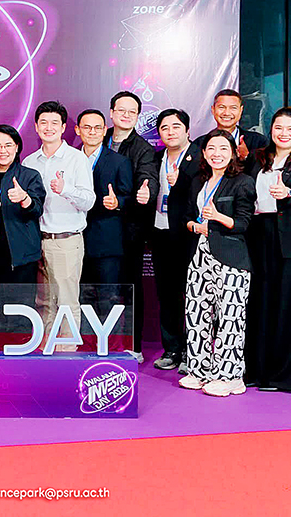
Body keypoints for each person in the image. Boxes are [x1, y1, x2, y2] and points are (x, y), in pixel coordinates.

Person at [245, 107, 291, 393]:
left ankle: (286, 376)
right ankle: (257, 371)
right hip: (258, 235)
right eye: (278, 127)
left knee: (290, 306)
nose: (284, 133)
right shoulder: (256, 158)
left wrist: (287, 192)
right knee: (259, 303)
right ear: (271, 129)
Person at [181, 129, 256, 397]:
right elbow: (188, 218)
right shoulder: (198, 181)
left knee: (230, 317)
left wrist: (217, 217)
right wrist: (195, 226)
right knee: (196, 312)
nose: (217, 154)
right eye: (211, 148)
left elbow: (244, 223)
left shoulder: (243, 182)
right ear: (203, 153)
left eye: (223, 148)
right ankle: (199, 370)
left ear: (233, 152)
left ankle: (230, 376)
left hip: (231, 258)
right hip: (200, 255)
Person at [21, 101, 95, 344]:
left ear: (63, 127)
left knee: (66, 300)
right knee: (43, 301)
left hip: (65, 241)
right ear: (36, 126)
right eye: (43, 122)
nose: (48, 127)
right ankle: (45, 349)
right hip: (36, 240)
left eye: (54, 123)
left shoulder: (76, 159)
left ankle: (67, 352)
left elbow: (89, 201)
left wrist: (66, 190)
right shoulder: (29, 162)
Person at [0, 125, 45, 348]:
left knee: (20, 310)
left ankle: (20, 355)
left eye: (8, 145)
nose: (2, 150)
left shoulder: (29, 176)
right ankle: (1, 352)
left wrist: (25, 199)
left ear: (17, 147)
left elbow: (37, 209)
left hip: (20, 256)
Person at [103, 91, 158, 363]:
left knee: (131, 287)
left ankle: (133, 346)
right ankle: (101, 342)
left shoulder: (143, 149)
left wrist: (146, 193)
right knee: (99, 288)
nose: (126, 115)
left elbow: (148, 179)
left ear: (137, 117)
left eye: (132, 112)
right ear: (111, 112)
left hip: (129, 230)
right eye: (121, 110)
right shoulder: (97, 138)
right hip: (97, 228)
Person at [150, 108, 201, 371]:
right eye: (164, 128)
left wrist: (181, 182)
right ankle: (172, 348)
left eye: (176, 126)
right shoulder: (155, 157)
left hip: (189, 234)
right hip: (160, 232)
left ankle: (194, 352)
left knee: (193, 294)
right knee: (167, 293)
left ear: (187, 130)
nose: (170, 132)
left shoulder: (200, 157)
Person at [76, 109, 132, 345]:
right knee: (81, 296)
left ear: (104, 131)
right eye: (86, 127)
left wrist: (118, 202)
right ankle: (85, 344)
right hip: (74, 238)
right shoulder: (69, 158)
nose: (92, 132)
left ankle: (109, 347)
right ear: (78, 130)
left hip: (107, 240)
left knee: (109, 296)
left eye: (97, 127)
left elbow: (129, 197)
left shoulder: (119, 161)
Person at [193, 89, 267, 168]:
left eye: (233, 108)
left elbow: (265, 171)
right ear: (213, 110)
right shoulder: (199, 143)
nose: (227, 113)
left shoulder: (259, 142)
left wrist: (246, 157)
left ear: (241, 110)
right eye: (221, 107)